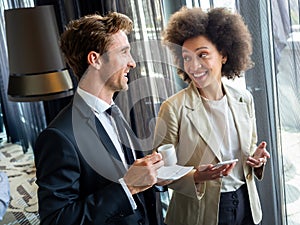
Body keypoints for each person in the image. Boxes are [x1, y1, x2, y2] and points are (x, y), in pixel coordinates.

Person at [34, 12, 165, 225]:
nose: (132, 63)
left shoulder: (115, 111)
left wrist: (158, 175)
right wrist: (127, 187)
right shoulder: (59, 137)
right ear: (95, 59)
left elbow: (125, 172)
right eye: (124, 52)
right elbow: (56, 220)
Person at [153, 7, 271, 225]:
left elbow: (249, 149)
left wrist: (257, 160)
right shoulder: (173, 108)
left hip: (246, 204)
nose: (193, 66)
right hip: (199, 212)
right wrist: (196, 176)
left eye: (203, 55)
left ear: (224, 55)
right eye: (187, 57)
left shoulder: (244, 99)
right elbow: (159, 172)